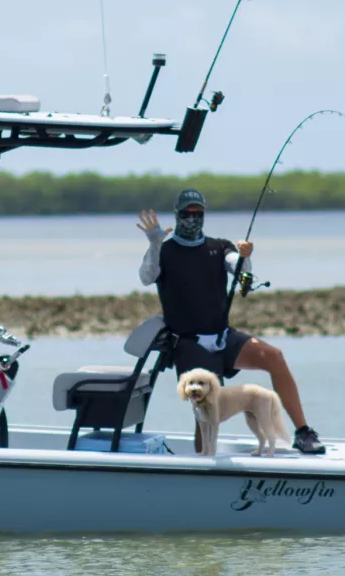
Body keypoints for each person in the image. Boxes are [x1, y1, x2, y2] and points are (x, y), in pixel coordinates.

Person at [137, 187, 325, 454]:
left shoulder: (218, 246)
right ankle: (204, 463)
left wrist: (244, 257)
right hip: (190, 344)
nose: (193, 218)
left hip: (224, 337)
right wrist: (154, 243)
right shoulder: (164, 250)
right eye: (187, 213)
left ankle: (304, 433)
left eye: (198, 213)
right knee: (207, 416)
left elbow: (238, 267)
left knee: (274, 356)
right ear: (178, 215)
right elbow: (146, 276)